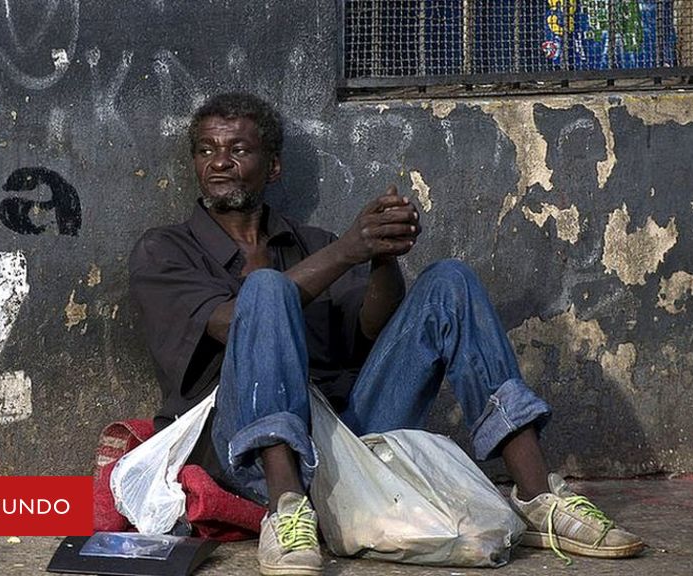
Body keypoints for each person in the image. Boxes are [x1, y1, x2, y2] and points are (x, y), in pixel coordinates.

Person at [128, 92, 644, 575]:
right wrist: (349, 250)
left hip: (343, 434)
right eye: (206, 150)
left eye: (238, 149)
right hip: (240, 445)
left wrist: (382, 255)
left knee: (449, 281)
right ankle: (286, 513)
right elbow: (231, 322)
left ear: (274, 166)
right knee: (263, 292)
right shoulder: (165, 249)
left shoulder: (312, 243)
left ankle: (538, 497)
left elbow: (369, 331)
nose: (219, 162)